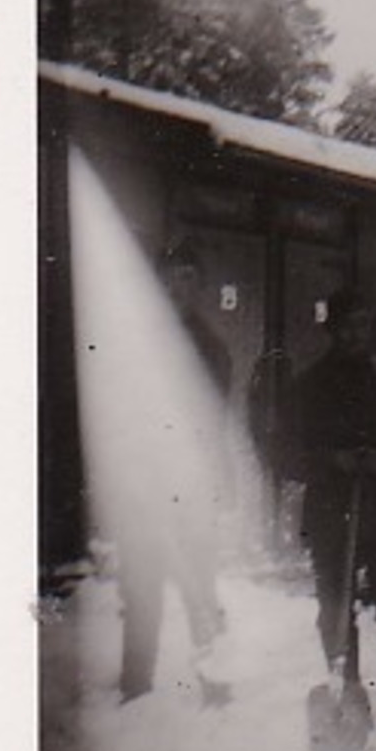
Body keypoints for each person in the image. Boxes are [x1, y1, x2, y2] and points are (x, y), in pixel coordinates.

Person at [118, 239, 234, 704]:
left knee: (199, 585)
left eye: (188, 276)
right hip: (145, 481)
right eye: (169, 275)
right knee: (142, 584)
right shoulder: (135, 341)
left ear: (200, 285)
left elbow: (209, 416)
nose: (177, 286)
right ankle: (135, 683)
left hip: (190, 482)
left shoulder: (210, 347)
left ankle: (215, 681)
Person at [291, 288, 376, 715]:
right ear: (333, 331)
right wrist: (332, 459)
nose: (357, 334)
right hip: (329, 511)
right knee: (336, 608)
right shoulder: (310, 384)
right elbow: (289, 453)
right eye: (348, 326)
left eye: (364, 324)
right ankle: (347, 697)